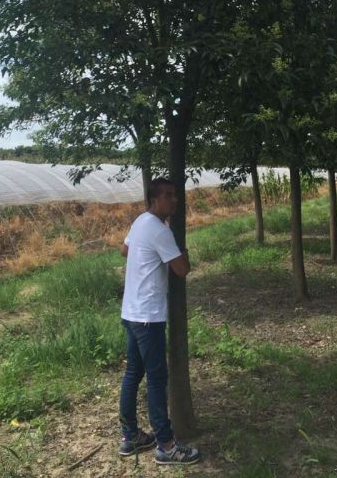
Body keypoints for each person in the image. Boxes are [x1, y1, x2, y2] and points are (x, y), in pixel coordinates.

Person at [118, 177, 200, 466]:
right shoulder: (160, 230)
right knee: (156, 380)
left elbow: (125, 251)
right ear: (154, 200)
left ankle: (129, 437)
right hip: (148, 317)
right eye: (168, 196)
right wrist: (182, 250)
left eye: (174, 195)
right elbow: (181, 269)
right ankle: (166, 445)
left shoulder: (140, 222)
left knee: (133, 374)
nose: (174, 200)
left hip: (130, 312)